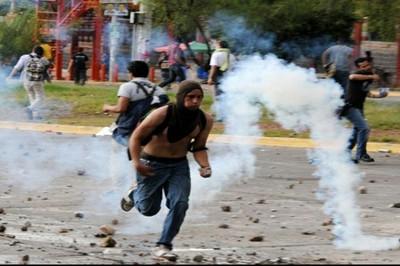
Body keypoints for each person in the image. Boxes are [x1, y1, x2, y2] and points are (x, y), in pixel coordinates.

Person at [120, 80, 213, 261]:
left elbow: (199, 147)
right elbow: (136, 137)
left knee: (180, 203)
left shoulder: (204, 120)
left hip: (178, 166)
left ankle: (164, 245)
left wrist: (205, 166)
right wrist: (136, 163)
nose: (195, 101)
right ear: (181, 97)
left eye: (199, 98)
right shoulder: (162, 114)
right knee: (148, 209)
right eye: (190, 97)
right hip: (151, 164)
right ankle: (134, 194)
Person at [103, 60, 169, 147]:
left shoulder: (127, 87)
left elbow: (121, 108)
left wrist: (107, 107)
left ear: (131, 73)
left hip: (129, 128)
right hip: (151, 129)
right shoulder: (159, 89)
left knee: (119, 142)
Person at [342, 57, 388, 163]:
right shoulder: (357, 74)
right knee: (364, 128)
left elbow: (365, 92)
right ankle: (360, 154)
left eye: (368, 65)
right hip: (350, 107)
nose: (367, 67)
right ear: (359, 67)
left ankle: (344, 154)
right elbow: (352, 76)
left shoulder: (367, 77)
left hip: (358, 107)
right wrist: (372, 76)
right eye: (364, 66)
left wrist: (379, 96)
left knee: (357, 130)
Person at [8, 45, 50, 120]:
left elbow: (17, 68)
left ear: (33, 50)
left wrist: (10, 76)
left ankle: (35, 115)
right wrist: (48, 78)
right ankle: (29, 109)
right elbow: (46, 68)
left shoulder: (24, 57)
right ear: (42, 52)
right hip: (37, 81)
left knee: (32, 96)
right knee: (40, 97)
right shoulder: (43, 59)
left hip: (26, 80)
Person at [207, 39, 236, 121]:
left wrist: (210, 78)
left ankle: (220, 116)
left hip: (219, 77)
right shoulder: (231, 55)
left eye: (216, 44)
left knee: (219, 97)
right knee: (226, 97)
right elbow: (234, 68)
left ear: (219, 46)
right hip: (229, 78)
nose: (215, 46)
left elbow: (214, 68)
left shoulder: (216, 54)